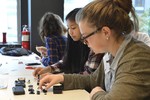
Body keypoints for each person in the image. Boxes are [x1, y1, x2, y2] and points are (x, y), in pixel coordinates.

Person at [39, 0, 150, 100]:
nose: (84, 42)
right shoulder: (110, 54)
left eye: (85, 37)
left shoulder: (136, 59)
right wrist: (61, 78)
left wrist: (97, 93)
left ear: (105, 32)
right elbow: (93, 79)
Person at [33, 8, 103, 76]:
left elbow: (89, 76)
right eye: (68, 28)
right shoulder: (73, 42)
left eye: (73, 28)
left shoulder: (94, 47)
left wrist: (61, 77)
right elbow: (65, 61)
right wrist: (49, 69)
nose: (70, 32)